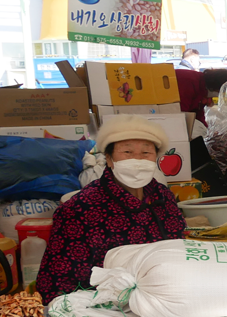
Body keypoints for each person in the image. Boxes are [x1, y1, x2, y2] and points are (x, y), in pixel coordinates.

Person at [37, 116, 187, 302]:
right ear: (109, 159)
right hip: (103, 307)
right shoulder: (79, 209)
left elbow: (180, 253)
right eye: (127, 152)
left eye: (146, 152)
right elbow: (58, 285)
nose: (137, 160)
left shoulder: (163, 198)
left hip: (165, 300)